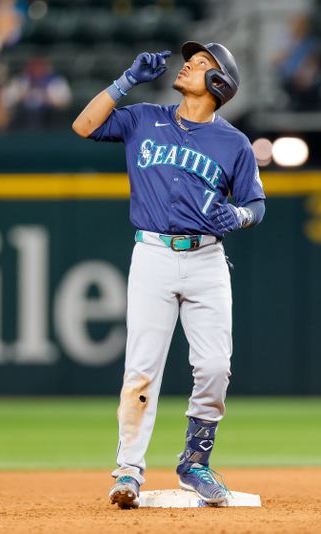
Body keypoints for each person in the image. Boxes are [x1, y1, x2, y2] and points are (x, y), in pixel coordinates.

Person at [72, 42, 266, 509]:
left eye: (200, 65)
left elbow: (256, 205)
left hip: (207, 260)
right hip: (154, 255)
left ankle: (195, 463)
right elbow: (84, 125)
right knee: (141, 368)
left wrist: (237, 218)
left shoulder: (233, 143)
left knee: (216, 366)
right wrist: (125, 80)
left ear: (219, 85)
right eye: (191, 61)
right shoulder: (143, 117)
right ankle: (128, 471)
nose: (187, 66)